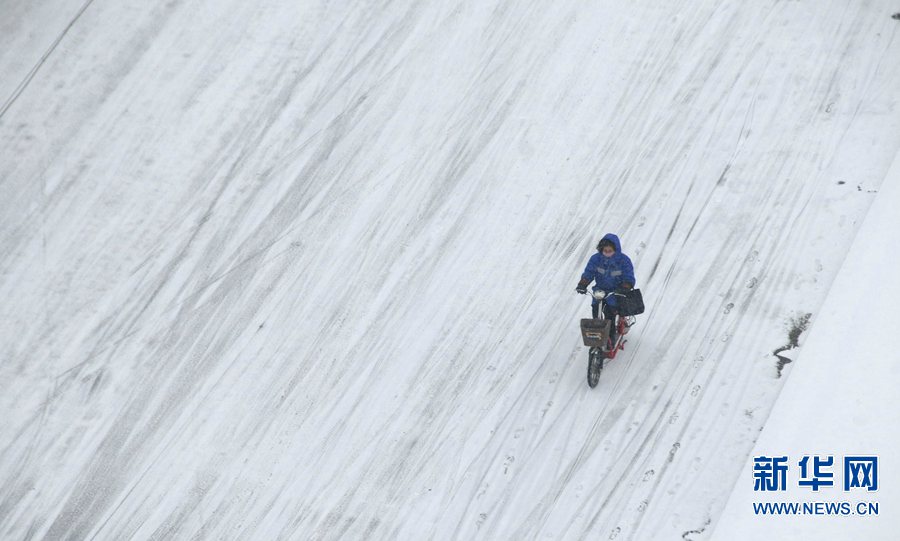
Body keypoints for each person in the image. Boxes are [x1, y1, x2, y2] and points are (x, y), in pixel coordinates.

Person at [575, 233, 635, 349]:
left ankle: (611, 337)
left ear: (615, 250)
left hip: (615, 292)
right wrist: (582, 284)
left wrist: (626, 286)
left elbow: (629, 276)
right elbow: (589, 272)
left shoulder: (623, 261)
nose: (607, 252)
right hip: (600, 291)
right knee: (595, 310)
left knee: (609, 313)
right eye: (605, 250)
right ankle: (597, 334)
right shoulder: (596, 259)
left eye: (610, 250)